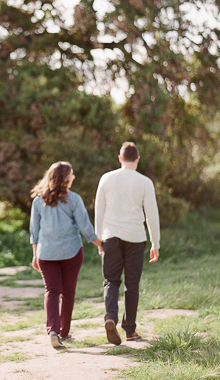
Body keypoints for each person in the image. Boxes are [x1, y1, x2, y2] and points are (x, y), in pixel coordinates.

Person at [30, 161, 103, 349]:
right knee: (68, 292)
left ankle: (53, 330)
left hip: (46, 253)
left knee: (51, 291)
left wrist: (35, 255)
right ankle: (64, 331)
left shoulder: (38, 200)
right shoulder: (74, 199)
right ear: (64, 178)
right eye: (71, 174)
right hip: (72, 252)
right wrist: (100, 243)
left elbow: (34, 231)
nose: (73, 177)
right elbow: (85, 227)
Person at [94, 142, 160, 345]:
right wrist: (155, 243)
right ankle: (130, 330)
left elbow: (99, 210)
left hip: (111, 236)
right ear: (138, 160)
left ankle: (110, 317)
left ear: (120, 158)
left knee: (111, 281)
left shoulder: (106, 178)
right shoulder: (145, 182)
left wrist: (99, 239)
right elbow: (151, 215)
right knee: (132, 285)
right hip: (135, 238)